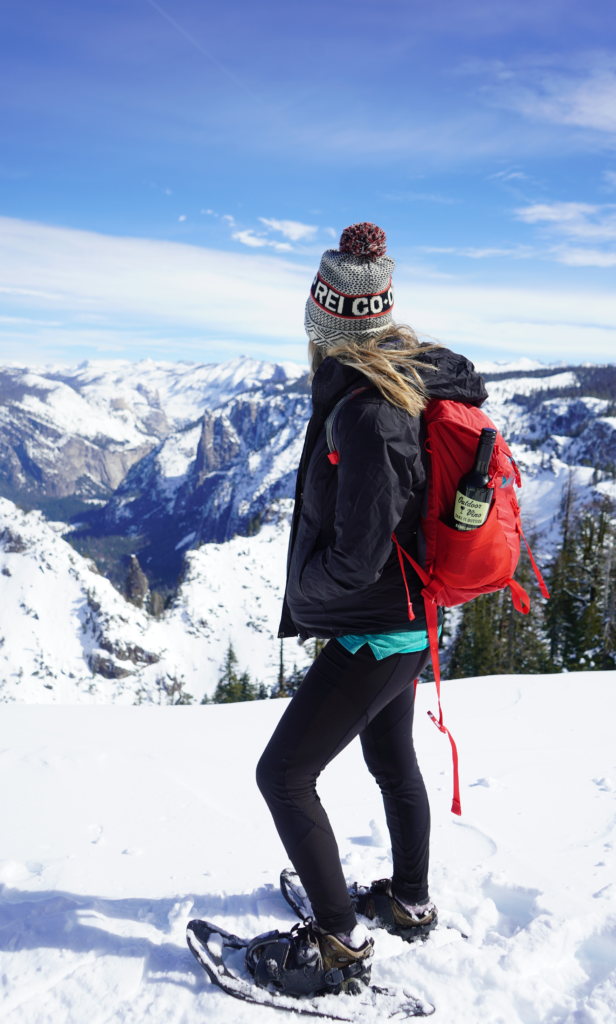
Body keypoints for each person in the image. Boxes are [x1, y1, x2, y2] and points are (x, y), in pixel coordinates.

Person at [252, 222, 488, 995]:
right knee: (390, 759)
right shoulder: (400, 379)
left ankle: (336, 946)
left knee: (284, 774)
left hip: (380, 628)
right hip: (409, 618)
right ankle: (410, 903)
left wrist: (303, 595)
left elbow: (358, 553)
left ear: (324, 325)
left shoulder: (368, 408)